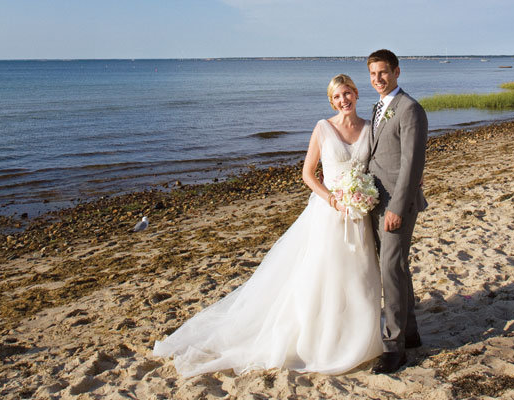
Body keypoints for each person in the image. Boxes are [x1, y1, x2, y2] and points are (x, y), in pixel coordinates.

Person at [153, 74, 384, 377]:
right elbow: (308, 175)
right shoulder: (323, 129)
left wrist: (363, 195)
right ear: (332, 101)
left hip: (358, 215)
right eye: (337, 96)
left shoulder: (369, 129)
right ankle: (322, 339)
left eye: (348, 93)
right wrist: (333, 199)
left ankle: (357, 337)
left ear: (356, 93)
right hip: (329, 214)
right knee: (324, 276)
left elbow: (377, 168)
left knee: (359, 276)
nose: (344, 100)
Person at [367, 49, 429, 374]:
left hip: (396, 205)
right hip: (375, 202)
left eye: (384, 73)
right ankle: (412, 332)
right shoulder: (378, 107)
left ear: (397, 71)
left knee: (390, 269)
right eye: (373, 74)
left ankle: (394, 348)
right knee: (397, 267)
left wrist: (397, 207)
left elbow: (411, 164)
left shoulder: (410, 109)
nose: (378, 79)